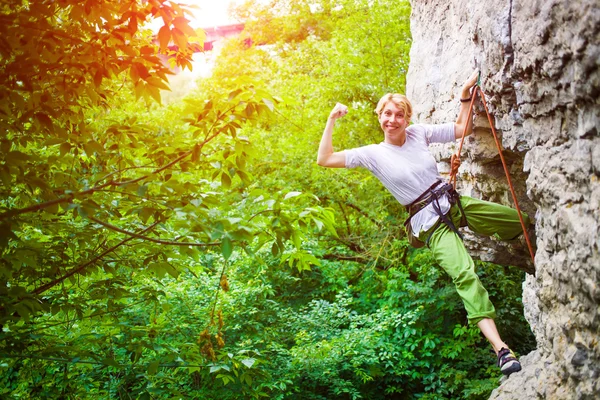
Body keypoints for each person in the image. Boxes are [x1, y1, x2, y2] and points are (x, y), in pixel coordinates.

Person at [316, 71, 527, 376]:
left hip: (453, 204)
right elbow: (325, 158)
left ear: (407, 117)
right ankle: (502, 350)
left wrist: (466, 96)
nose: (393, 120)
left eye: (399, 114)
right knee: (465, 274)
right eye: (387, 114)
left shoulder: (418, 133)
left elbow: (460, 128)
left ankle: (546, 251)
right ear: (379, 117)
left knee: (517, 220)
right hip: (430, 225)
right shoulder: (372, 154)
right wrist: (332, 120)